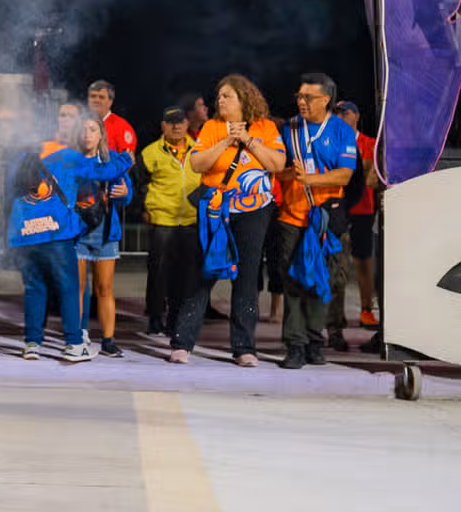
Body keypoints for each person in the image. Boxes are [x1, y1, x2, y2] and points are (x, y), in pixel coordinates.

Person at [180, 74, 284, 365]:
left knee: (247, 277)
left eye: (227, 96)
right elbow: (197, 163)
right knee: (203, 273)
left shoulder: (265, 127)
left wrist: (247, 139)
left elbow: (277, 163)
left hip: (254, 211)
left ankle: (244, 347)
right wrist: (226, 139)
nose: (220, 100)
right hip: (217, 210)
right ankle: (183, 342)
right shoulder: (212, 127)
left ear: (244, 99)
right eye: (219, 96)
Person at [7, 100, 105, 361]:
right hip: (56, 232)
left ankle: (32, 343)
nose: (66, 122)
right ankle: (73, 343)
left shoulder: (27, 154)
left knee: (35, 287)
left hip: (28, 233)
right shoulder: (67, 155)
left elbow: (10, 190)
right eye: (63, 117)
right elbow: (101, 177)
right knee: (69, 287)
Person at [273, 72, 358, 369]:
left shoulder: (341, 131)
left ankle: (315, 341)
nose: (301, 101)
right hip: (292, 216)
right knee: (294, 280)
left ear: (325, 100)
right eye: (298, 96)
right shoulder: (290, 128)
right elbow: (279, 171)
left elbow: (345, 175)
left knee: (325, 281)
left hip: (326, 216)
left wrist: (310, 178)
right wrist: (289, 176)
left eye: (307, 97)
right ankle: (295, 345)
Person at [72, 114, 133, 357]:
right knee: (78, 287)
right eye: (84, 129)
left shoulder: (112, 159)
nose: (87, 134)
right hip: (78, 232)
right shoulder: (72, 159)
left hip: (105, 232)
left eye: (93, 129)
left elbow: (126, 196)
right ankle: (78, 335)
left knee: (105, 288)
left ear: (101, 135)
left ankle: (108, 340)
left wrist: (125, 192)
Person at [138, 105, 201, 336]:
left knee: (185, 274)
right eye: (171, 122)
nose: (176, 126)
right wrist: (144, 210)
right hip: (162, 220)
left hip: (191, 221)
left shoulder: (200, 150)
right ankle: (155, 316)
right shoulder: (149, 153)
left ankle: (176, 319)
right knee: (158, 272)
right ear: (163, 125)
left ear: (187, 124)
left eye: (180, 121)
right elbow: (139, 186)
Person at [335, 100, 380, 330]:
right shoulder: (331, 141)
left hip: (363, 209)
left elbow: (372, 177)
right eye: (337, 114)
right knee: (337, 261)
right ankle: (336, 314)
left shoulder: (370, 143)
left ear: (357, 116)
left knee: (363, 261)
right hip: (337, 208)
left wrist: (353, 168)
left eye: (345, 113)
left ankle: (366, 310)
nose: (340, 117)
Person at [86, 79, 137, 155]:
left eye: (101, 97)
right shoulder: (80, 123)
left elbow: (127, 161)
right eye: (93, 96)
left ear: (110, 102)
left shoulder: (121, 126)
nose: (96, 100)